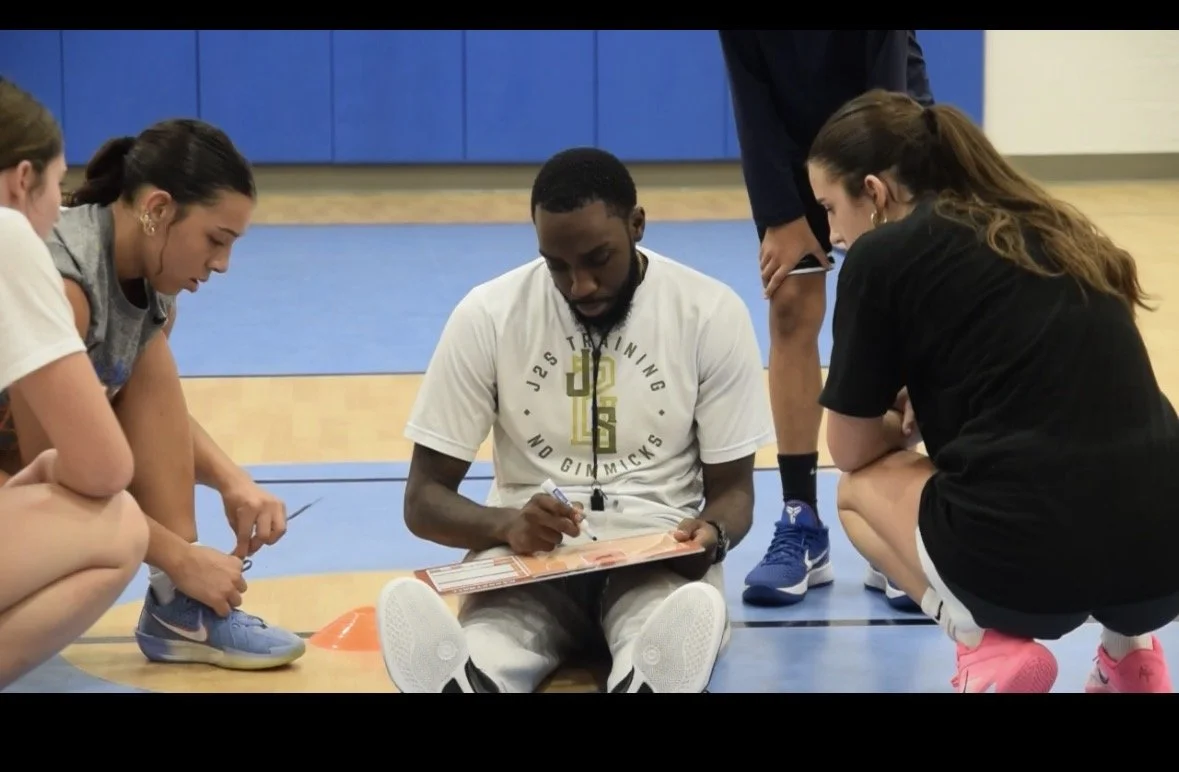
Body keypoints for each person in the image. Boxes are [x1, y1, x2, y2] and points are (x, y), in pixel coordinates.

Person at [806, 88, 1179, 693]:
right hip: (1164, 559)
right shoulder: (1054, 226)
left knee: (856, 491)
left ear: (873, 193)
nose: (831, 232)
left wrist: (897, 425)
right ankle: (1131, 656)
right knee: (1108, 451)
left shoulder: (880, 256)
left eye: (828, 208)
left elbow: (848, 448)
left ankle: (985, 647)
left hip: (1027, 566)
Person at [375, 147, 774, 693]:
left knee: (661, 623)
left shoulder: (709, 312)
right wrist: (506, 524)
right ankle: (464, 680)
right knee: (499, 637)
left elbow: (734, 493)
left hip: (653, 554)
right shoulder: (488, 314)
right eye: (556, 265)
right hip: (531, 560)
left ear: (637, 224)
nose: (578, 285)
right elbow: (423, 500)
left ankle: (649, 675)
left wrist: (711, 535)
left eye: (597, 259)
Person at [0, 119, 306, 672]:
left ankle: (176, 610)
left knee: (148, 358)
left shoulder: (149, 280)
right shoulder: (66, 284)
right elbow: (55, 472)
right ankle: (176, 589)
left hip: (28, 470)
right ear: (159, 209)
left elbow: (115, 403)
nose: (222, 265)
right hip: (24, 475)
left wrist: (233, 480)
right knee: (111, 539)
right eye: (216, 240)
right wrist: (183, 558)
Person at [720, 30, 935, 609]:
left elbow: (886, 85)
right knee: (790, 305)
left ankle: (890, 524)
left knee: (891, 300)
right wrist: (779, 210)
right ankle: (801, 519)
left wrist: (882, 197)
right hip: (790, 141)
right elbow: (749, 92)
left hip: (888, 126)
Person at [0, 78, 149, 688]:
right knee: (120, 524)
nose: (60, 208)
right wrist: (52, 469)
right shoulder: (10, 235)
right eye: (55, 187)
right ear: (22, 180)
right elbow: (105, 467)